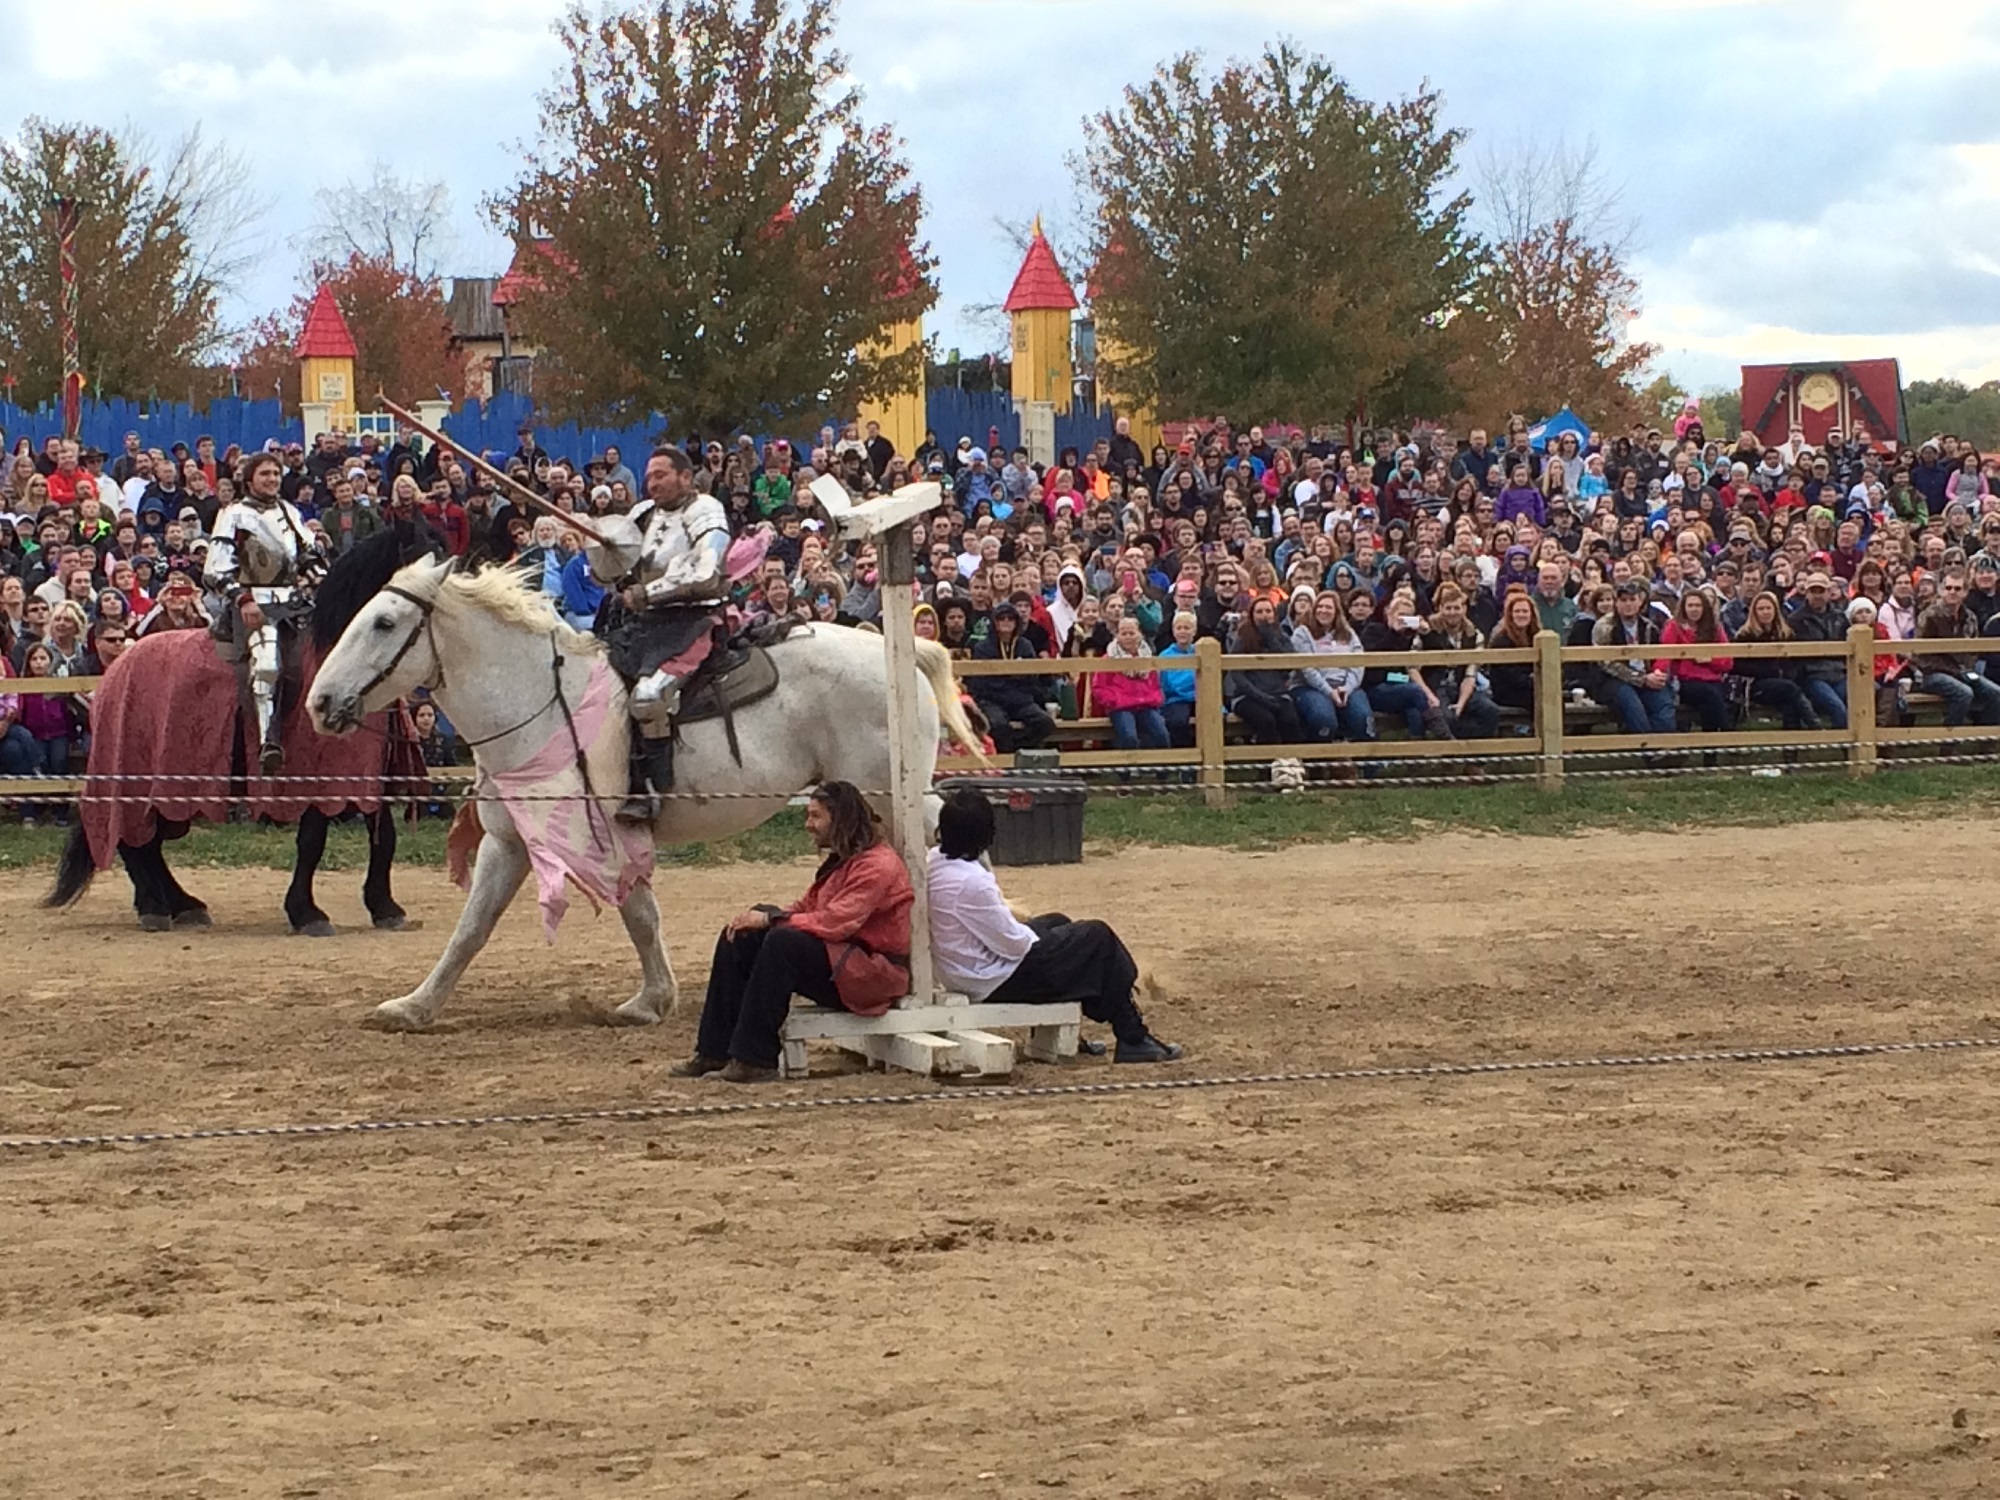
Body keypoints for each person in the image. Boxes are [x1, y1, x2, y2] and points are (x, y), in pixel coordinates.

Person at [669, 782, 913, 1085]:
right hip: (845, 961)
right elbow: (807, 907)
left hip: (872, 975)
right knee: (741, 935)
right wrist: (762, 918)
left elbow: (837, 922)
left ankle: (755, 1059)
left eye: (815, 816)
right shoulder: (847, 858)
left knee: (783, 941)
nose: (808, 824)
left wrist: (771, 920)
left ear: (840, 819)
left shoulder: (877, 865)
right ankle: (713, 1051)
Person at [927, 788, 1181, 1063]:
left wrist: (1046, 935)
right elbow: (1014, 945)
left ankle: (1076, 1034)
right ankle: (1132, 1035)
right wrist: (1041, 939)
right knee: (1097, 937)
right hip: (991, 979)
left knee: (1058, 922)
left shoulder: (935, 861)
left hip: (963, 969)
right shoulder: (973, 882)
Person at [587, 446, 731, 822]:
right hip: (642, 625)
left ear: (685, 476)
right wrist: (601, 552)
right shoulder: (642, 514)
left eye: (661, 475)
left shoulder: (706, 509)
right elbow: (611, 570)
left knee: (649, 697)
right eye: (649, 476)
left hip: (692, 622)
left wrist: (647, 593)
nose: (652, 483)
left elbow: (706, 571)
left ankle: (652, 789)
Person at [203, 450, 325, 772]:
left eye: (275, 473)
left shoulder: (289, 511)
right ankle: (267, 741)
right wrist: (243, 600)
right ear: (249, 480)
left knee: (308, 663)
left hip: (293, 602)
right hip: (253, 600)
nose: (272, 479)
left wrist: (323, 579)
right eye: (265, 474)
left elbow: (308, 555)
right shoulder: (233, 513)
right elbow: (215, 569)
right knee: (267, 664)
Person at [1911, 567, 2000, 727]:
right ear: (1941, 590)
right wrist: (1954, 671)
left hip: (1963, 672)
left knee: (1996, 693)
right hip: (1932, 674)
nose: (1952, 592)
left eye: (1957, 588)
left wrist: (1964, 670)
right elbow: (1921, 655)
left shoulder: (1970, 617)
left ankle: (1983, 736)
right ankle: (1949, 739)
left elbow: (1973, 652)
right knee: (1964, 693)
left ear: (1965, 592)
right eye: (1948, 588)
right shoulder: (1929, 616)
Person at [1591, 579, 1675, 733]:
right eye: (1623, 600)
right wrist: (1641, 679)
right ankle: (1646, 745)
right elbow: (1606, 663)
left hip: (1647, 676)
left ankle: (1663, 743)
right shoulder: (1604, 627)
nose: (1628, 604)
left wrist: (1658, 673)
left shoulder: (1649, 626)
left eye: (1632, 599)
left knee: (1664, 704)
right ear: (1616, 603)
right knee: (1631, 704)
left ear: (1640, 602)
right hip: (1613, 680)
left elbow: (1659, 654)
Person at [1660, 589, 1735, 732]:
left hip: (1713, 679)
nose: (1694, 609)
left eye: (1698, 605)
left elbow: (1727, 662)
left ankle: (1710, 742)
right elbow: (1665, 654)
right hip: (1685, 681)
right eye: (1690, 605)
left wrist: (1709, 660)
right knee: (1710, 695)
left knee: (1711, 700)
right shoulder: (1674, 626)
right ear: (1684, 608)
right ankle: (1727, 732)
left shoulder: (1715, 628)